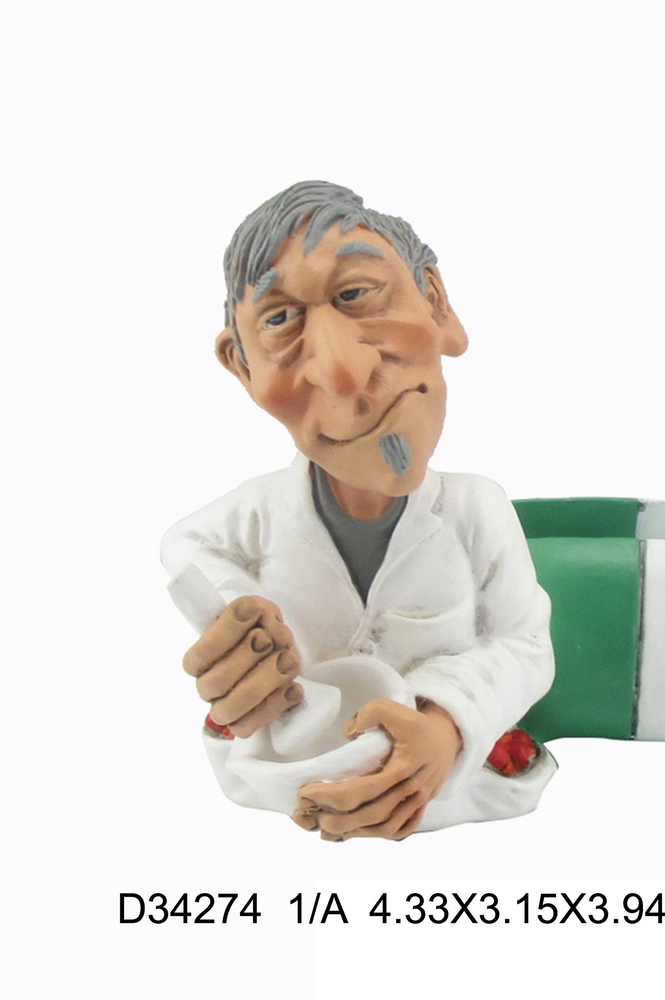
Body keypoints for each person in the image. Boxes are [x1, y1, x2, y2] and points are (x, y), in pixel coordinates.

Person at [162, 181, 556, 840]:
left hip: (451, 783)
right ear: (243, 368)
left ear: (436, 302)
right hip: (296, 763)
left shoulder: (476, 512)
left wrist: (446, 725)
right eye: (280, 322)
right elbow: (185, 544)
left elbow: (525, 644)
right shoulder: (256, 516)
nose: (343, 372)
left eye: (357, 294)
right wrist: (238, 616)